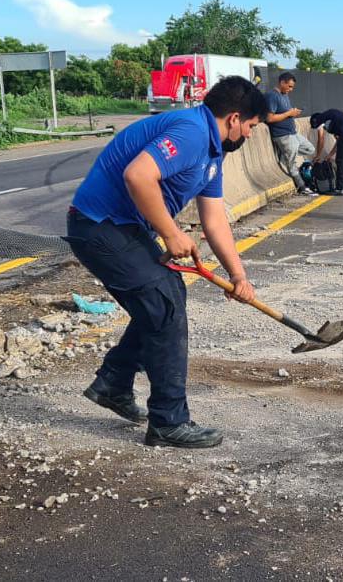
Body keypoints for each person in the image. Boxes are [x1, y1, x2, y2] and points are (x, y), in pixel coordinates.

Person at [67, 76, 262, 449]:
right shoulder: (190, 132)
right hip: (98, 226)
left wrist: (238, 275)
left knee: (166, 297)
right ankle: (168, 422)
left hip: (122, 227)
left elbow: (214, 218)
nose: (251, 135)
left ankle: (114, 382)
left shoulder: (211, 150)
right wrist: (171, 233)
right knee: (164, 304)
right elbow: (138, 175)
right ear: (235, 118)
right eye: (252, 126)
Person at [265, 72, 317, 195]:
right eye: (289, 86)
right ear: (282, 82)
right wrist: (289, 114)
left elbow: (285, 113)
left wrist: (293, 112)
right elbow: (269, 118)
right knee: (292, 163)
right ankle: (302, 187)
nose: (291, 89)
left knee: (310, 149)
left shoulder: (285, 96)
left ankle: (285, 155)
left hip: (293, 133)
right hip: (283, 135)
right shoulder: (272, 96)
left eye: (292, 87)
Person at [310, 109, 343, 196]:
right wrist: (330, 155)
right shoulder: (332, 118)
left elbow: (321, 139)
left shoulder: (320, 120)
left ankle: (339, 189)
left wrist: (318, 155)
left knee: (340, 161)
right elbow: (339, 141)